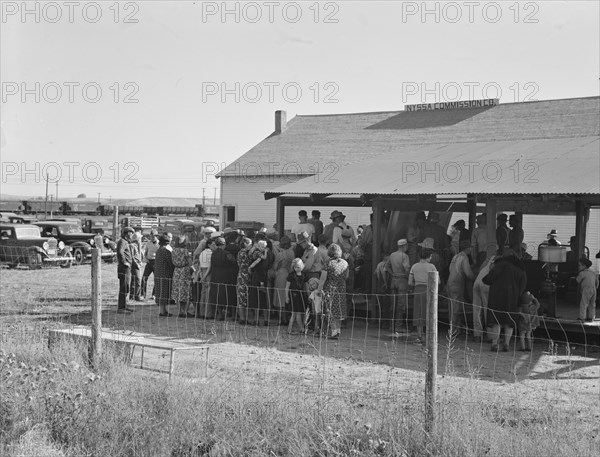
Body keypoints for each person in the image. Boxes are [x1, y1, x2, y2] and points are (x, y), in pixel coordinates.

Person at [482, 248, 527, 352]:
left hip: (497, 297)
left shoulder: (501, 264)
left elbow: (488, 278)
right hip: (513, 298)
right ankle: (506, 344)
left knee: (496, 320)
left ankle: (495, 344)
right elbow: (523, 286)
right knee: (509, 321)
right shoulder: (521, 269)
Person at [318, 243, 349, 339]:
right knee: (338, 311)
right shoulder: (345, 263)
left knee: (330, 310)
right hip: (342, 288)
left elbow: (323, 278)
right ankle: (337, 331)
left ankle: (334, 332)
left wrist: (319, 289)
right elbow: (347, 276)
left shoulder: (328, 262)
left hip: (330, 288)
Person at [447, 240, 475, 337]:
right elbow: (468, 273)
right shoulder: (464, 258)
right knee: (456, 308)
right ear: (469, 249)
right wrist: (474, 277)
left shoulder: (455, 257)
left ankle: (455, 329)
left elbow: (450, 269)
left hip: (450, 282)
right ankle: (453, 330)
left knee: (452, 306)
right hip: (457, 284)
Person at [408, 249, 437, 342]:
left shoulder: (414, 266)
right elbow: (437, 281)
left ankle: (419, 335)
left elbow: (410, 282)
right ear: (428, 257)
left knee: (418, 311)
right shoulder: (432, 266)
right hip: (428, 290)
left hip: (417, 290)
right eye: (431, 256)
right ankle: (429, 334)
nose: (431, 258)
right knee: (429, 311)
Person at [209, 236, 238, 321]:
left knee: (217, 295)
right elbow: (234, 263)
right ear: (224, 244)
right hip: (227, 277)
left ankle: (220, 315)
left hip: (216, 277)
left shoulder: (213, 254)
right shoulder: (227, 254)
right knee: (231, 295)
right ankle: (233, 315)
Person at [247, 238, 274, 325]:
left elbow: (254, 264)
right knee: (264, 299)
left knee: (256, 299)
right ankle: (266, 320)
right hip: (265, 276)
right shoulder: (270, 253)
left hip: (257, 277)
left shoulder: (257, 253)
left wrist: (250, 268)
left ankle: (256, 320)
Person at [388, 239, 411, 333]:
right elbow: (406, 268)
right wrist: (407, 276)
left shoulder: (392, 255)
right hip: (402, 281)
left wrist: (393, 274)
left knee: (393, 304)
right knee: (400, 305)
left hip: (394, 280)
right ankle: (398, 326)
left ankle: (391, 325)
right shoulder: (404, 256)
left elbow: (387, 267)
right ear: (404, 246)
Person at [472, 255, 496, 343]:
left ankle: (477, 335)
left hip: (477, 282)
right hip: (485, 284)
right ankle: (490, 336)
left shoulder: (491, 258)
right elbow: (492, 268)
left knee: (477, 309)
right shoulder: (497, 259)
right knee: (487, 310)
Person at [272, 235, 295, 325]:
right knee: (287, 297)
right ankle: (288, 317)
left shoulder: (279, 255)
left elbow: (275, 267)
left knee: (280, 297)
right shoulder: (292, 253)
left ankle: (283, 319)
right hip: (289, 274)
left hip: (281, 274)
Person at [171, 234, 194, 318]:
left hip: (176, 270)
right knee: (185, 291)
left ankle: (179, 311)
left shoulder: (173, 251)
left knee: (178, 291)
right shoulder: (185, 251)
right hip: (185, 271)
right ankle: (185, 312)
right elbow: (190, 263)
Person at [285, 258, 308, 334]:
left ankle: (296, 329)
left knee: (298, 313)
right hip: (293, 295)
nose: (296, 269)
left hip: (300, 295)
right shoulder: (291, 275)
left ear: (301, 266)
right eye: (295, 267)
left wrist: (307, 294)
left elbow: (306, 286)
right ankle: (299, 329)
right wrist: (286, 297)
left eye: (298, 267)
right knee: (295, 313)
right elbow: (287, 286)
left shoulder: (304, 275)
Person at [155, 234, 175, 317]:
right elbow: (171, 263)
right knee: (164, 293)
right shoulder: (166, 251)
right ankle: (162, 312)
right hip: (165, 274)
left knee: (160, 293)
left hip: (158, 274)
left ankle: (163, 310)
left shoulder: (159, 250)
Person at [117, 227, 135, 313]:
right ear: (126, 234)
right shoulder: (122, 242)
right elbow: (120, 252)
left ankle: (124, 306)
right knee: (123, 287)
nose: (132, 235)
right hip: (124, 268)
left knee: (126, 287)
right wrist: (124, 262)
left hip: (127, 268)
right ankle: (121, 308)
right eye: (130, 233)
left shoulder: (125, 242)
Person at [236, 237, 253, 324]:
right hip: (244, 275)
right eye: (250, 243)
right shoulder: (244, 253)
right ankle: (243, 317)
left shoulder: (241, 252)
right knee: (243, 296)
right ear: (245, 244)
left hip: (241, 275)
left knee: (242, 296)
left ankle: (243, 317)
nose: (251, 245)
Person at [141, 229, 159, 300]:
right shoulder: (148, 243)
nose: (152, 237)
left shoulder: (159, 243)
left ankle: (154, 294)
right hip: (149, 262)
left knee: (156, 279)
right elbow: (146, 252)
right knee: (144, 278)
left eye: (154, 236)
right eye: (151, 236)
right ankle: (143, 294)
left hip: (156, 262)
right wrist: (146, 258)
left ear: (156, 236)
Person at [129, 229, 143, 301]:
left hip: (137, 264)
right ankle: (137, 296)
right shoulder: (132, 245)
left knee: (134, 280)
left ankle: (132, 296)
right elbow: (132, 256)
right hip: (134, 265)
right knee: (137, 280)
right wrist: (137, 264)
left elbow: (140, 255)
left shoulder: (138, 245)